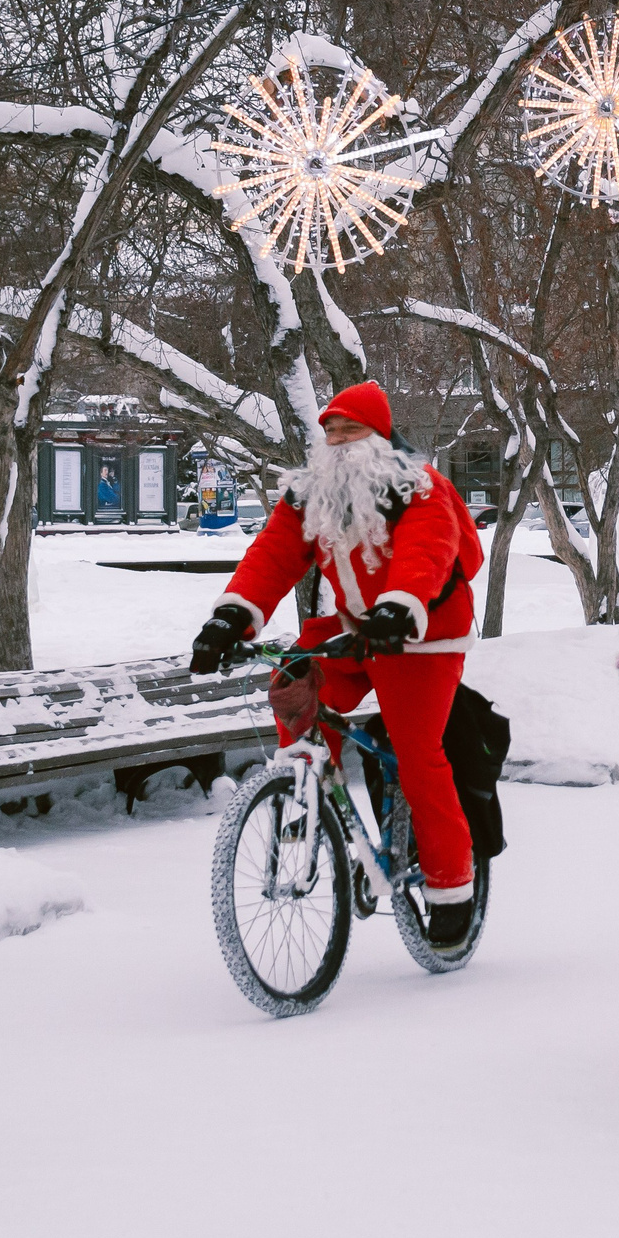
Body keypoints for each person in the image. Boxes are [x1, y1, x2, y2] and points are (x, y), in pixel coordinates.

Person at [187, 381, 486, 944]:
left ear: (380, 435)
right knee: (292, 678)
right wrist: (229, 620)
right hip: (354, 633)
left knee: (419, 754)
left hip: (421, 636)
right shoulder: (312, 495)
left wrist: (401, 607)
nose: (339, 440)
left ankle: (452, 886)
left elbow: (427, 551)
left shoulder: (420, 489)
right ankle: (311, 802)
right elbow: (272, 557)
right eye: (330, 430)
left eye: (352, 429)